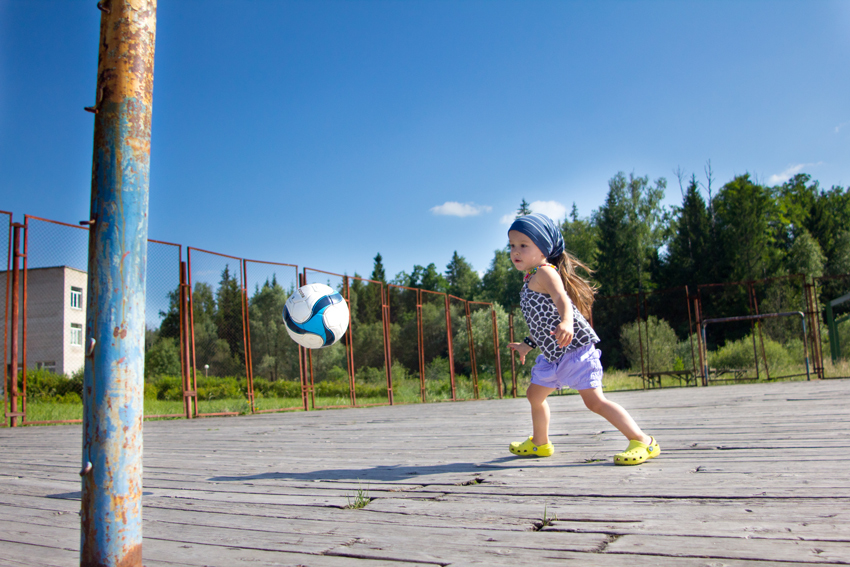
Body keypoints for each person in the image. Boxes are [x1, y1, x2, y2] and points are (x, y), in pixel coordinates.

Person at [506, 213, 659, 465]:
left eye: (524, 245)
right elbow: (542, 321)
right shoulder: (529, 280)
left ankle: (643, 441)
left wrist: (567, 322)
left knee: (595, 402)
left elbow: (561, 300)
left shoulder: (545, 272)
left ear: (543, 249)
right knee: (534, 395)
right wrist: (528, 344)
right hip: (554, 354)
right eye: (512, 245)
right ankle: (540, 443)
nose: (515, 251)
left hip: (574, 349)